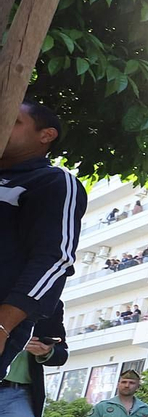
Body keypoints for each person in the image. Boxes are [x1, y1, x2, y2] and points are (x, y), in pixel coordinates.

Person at [0, 102, 83, 382]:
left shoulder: (53, 182)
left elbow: (54, 260)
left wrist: (3, 326)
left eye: (16, 121)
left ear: (45, 135)